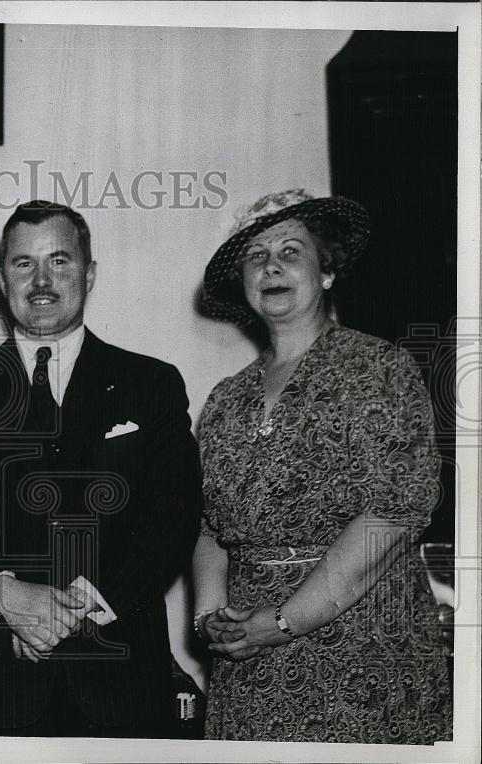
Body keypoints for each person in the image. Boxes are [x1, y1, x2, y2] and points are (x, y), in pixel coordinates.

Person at [0, 200, 202, 737]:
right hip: (0, 688)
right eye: (23, 263)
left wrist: (69, 609)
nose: (41, 281)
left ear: (90, 272)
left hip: (121, 682)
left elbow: (173, 516)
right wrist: (6, 594)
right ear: (0, 277)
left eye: (60, 261)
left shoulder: (150, 383)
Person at [193, 189, 453, 743]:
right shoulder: (224, 399)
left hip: (363, 655)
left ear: (327, 272)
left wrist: (287, 620)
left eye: (291, 251)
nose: (271, 266)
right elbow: (210, 526)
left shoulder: (379, 367)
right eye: (255, 256)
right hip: (249, 665)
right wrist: (210, 616)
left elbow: (394, 514)